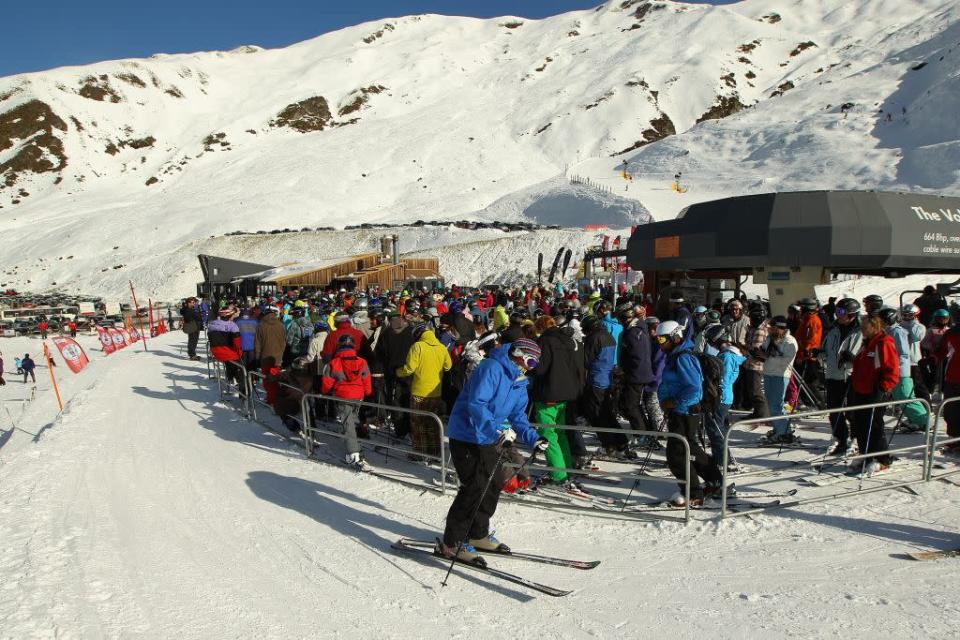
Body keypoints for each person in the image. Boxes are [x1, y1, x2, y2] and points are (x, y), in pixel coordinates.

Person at [438, 339, 548, 565]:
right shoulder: (491, 368)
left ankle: (477, 534)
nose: (529, 367)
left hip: (489, 437)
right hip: (466, 435)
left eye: (534, 364)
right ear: (517, 354)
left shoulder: (519, 380)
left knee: (494, 482)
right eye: (529, 361)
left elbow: (518, 417)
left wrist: (534, 439)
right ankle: (452, 542)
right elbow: (476, 404)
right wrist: (497, 429)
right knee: (474, 486)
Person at [655, 320, 723, 507]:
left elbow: (694, 390)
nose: (660, 343)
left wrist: (674, 402)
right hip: (679, 411)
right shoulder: (675, 355)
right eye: (658, 340)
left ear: (676, 337)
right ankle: (715, 480)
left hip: (684, 412)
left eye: (663, 339)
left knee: (676, 454)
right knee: (690, 448)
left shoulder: (683, 357)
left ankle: (693, 493)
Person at [529, 316, 585, 487]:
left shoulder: (545, 341)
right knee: (560, 433)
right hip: (568, 393)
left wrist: (530, 364)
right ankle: (565, 466)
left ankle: (558, 473)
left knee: (548, 434)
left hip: (549, 393)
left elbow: (540, 368)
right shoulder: (568, 340)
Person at [849, 314, 899, 474]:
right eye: (861, 326)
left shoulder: (883, 342)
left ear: (875, 326)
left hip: (875, 390)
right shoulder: (867, 343)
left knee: (875, 425)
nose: (862, 329)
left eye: (865, 326)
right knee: (860, 424)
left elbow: (892, 369)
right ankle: (866, 454)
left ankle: (882, 459)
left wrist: (884, 388)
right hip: (860, 389)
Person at [395, 324, 452, 460]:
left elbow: (409, 369)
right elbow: (448, 366)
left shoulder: (418, 347)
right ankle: (435, 453)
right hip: (436, 393)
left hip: (419, 393)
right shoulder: (441, 347)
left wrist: (397, 372)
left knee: (418, 424)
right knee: (433, 424)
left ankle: (420, 454)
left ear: (418, 335)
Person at [582, 314, 632, 458]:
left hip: (596, 379)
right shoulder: (607, 335)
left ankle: (608, 444)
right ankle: (621, 441)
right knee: (608, 414)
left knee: (597, 415)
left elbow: (586, 360)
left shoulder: (594, 337)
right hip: (607, 377)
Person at [321, 334, 373, 470]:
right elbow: (366, 378)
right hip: (358, 395)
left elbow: (327, 381)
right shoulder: (362, 361)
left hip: (342, 396)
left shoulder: (334, 363)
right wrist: (367, 392)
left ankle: (354, 453)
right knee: (353, 419)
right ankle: (357, 444)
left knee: (347, 422)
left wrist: (325, 391)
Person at [820, 298, 862, 455]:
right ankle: (840, 438)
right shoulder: (834, 329)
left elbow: (865, 354)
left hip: (851, 375)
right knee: (833, 409)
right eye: (837, 311)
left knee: (852, 410)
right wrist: (820, 353)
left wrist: (853, 358)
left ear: (851, 314)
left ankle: (856, 438)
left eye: (842, 312)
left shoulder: (861, 331)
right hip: (833, 374)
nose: (838, 315)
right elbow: (826, 348)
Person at [702, 324, 746, 469]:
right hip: (722, 395)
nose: (710, 344)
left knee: (715, 428)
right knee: (716, 427)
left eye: (711, 341)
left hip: (720, 396)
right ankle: (720, 457)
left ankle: (723, 459)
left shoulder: (727, 356)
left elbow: (724, 378)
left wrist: (715, 392)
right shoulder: (726, 355)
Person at [878, 307, 928, 431]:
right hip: (893, 370)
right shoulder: (890, 330)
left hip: (901, 370)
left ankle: (925, 421)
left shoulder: (897, 331)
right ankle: (915, 420)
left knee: (906, 396)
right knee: (900, 397)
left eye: (881, 320)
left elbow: (903, 353)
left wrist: (896, 368)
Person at [757, 316, 798, 443]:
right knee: (772, 405)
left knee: (777, 405)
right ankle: (779, 428)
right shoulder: (770, 339)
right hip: (769, 372)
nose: (770, 330)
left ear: (780, 328)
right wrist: (759, 353)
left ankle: (783, 432)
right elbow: (764, 351)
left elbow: (787, 361)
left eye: (773, 328)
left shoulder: (790, 341)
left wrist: (769, 357)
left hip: (780, 375)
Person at [618, 306, 656, 443]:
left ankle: (642, 435)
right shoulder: (638, 329)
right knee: (633, 404)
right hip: (638, 372)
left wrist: (625, 369)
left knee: (631, 405)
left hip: (636, 374)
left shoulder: (633, 332)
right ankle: (643, 432)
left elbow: (636, 355)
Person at [376, 311, 416, 439]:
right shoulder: (411, 331)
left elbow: (380, 353)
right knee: (409, 399)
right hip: (410, 371)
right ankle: (409, 428)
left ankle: (401, 429)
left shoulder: (387, 333)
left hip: (394, 373)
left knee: (397, 401)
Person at [794, 298, 825, 409]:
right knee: (801, 382)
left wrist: (802, 355)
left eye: (802, 308)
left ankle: (818, 404)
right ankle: (809, 403)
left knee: (808, 383)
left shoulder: (813, 321)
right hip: (802, 355)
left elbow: (810, 341)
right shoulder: (806, 319)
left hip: (808, 357)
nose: (800, 310)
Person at [207, 307, 245, 395]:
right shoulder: (232, 326)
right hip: (227, 353)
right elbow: (237, 343)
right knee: (240, 368)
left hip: (215, 352)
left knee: (229, 362)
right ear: (229, 315)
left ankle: (230, 378)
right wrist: (240, 352)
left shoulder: (212, 324)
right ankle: (243, 393)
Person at [254, 308, 287, 405]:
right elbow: (285, 342)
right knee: (275, 378)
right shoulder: (281, 325)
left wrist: (257, 357)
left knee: (267, 381)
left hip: (265, 358)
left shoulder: (260, 326)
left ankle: (272, 400)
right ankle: (274, 397)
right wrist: (281, 353)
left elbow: (257, 344)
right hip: (277, 358)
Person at [743, 305, 770, 420]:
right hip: (750, 363)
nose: (750, 319)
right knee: (752, 390)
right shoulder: (755, 327)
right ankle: (757, 411)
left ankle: (763, 415)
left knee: (756, 391)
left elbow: (755, 349)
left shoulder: (760, 330)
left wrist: (744, 347)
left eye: (752, 317)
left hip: (756, 365)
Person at [900, 304, 929, 402]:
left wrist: (912, 323)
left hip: (914, 360)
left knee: (918, 384)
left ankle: (926, 404)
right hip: (901, 361)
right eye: (905, 315)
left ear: (915, 315)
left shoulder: (919, 327)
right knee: (902, 384)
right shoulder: (900, 326)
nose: (906, 317)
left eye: (909, 315)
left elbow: (916, 336)